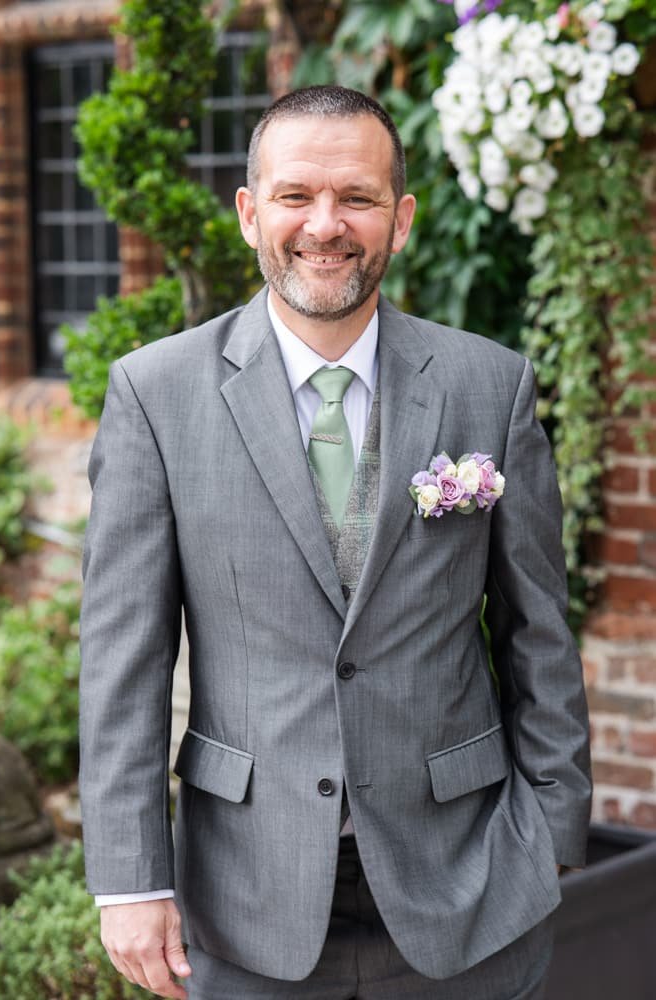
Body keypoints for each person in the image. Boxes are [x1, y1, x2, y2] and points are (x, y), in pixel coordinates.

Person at [79, 85, 591, 1000]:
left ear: (400, 219)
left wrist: (550, 831)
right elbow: (125, 660)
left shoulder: (489, 384)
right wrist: (130, 881)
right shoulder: (156, 396)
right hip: (244, 893)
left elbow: (537, 633)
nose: (325, 225)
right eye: (295, 196)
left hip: (469, 882)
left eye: (356, 197)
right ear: (250, 213)